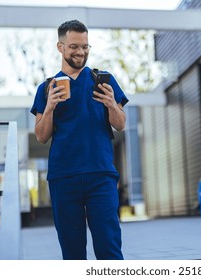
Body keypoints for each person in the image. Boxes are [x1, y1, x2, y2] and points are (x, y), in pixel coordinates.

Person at [30, 20, 128, 260]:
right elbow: (41, 136)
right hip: (64, 177)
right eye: (74, 46)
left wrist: (111, 104)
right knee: (72, 253)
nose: (81, 52)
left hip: (101, 175)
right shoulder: (47, 88)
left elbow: (121, 124)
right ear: (60, 47)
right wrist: (51, 107)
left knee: (109, 249)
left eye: (85, 46)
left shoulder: (104, 81)